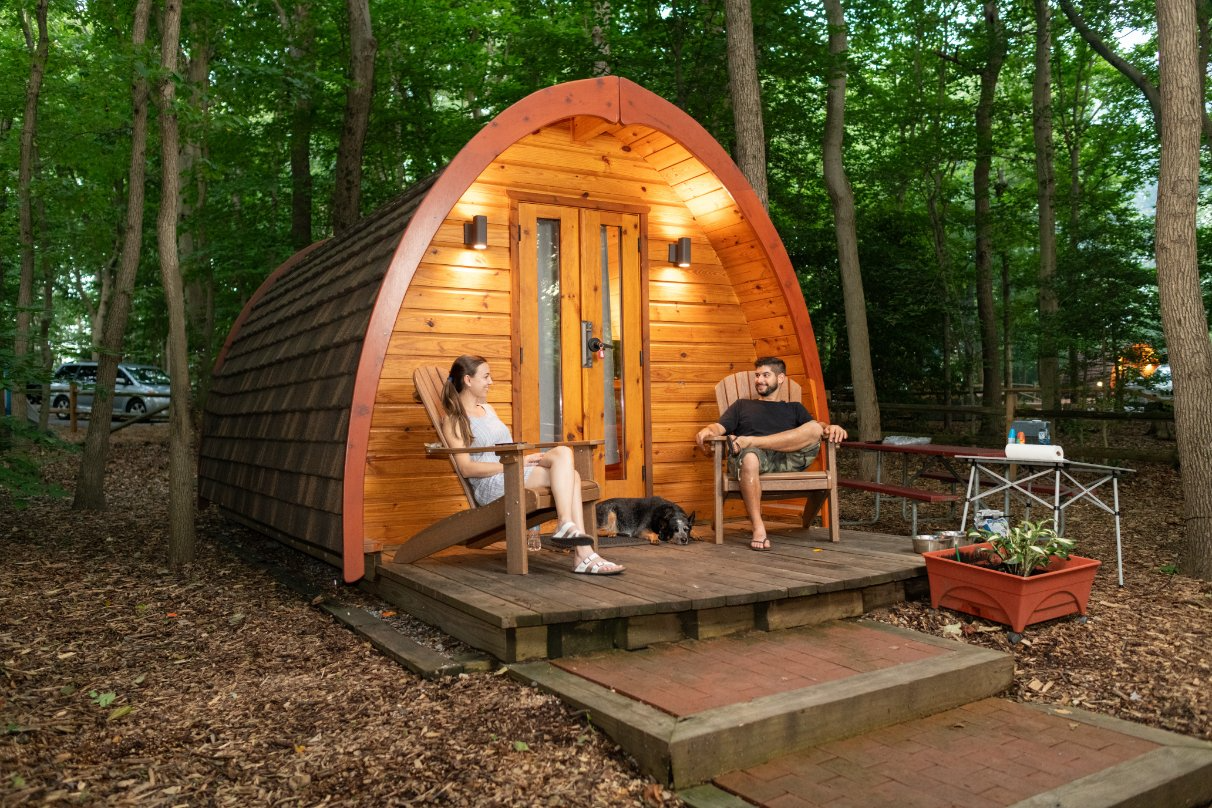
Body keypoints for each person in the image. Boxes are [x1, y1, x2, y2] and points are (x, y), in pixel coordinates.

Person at [441, 355, 625, 575]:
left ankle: (568, 527)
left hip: (512, 470)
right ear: (468, 380)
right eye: (486, 376)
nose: (491, 382)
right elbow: (467, 468)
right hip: (491, 483)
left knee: (563, 454)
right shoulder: (454, 420)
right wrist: (518, 464)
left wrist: (524, 461)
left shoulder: (488, 410)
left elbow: (505, 448)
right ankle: (582, 553)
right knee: (572, 477)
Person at [694, 357, 848, 551]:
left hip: (788, 458)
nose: (759, 380)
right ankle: (759, 528)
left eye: (765, 375)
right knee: (750, 457)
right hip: (753, 459)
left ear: (781, 378)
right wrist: (708, 430)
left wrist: (830, 426)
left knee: (816, 429)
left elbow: (816, 429)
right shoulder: (742, 406)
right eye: (757, 375)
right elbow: (718, 426)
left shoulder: (794, 408)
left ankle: (750, 440)